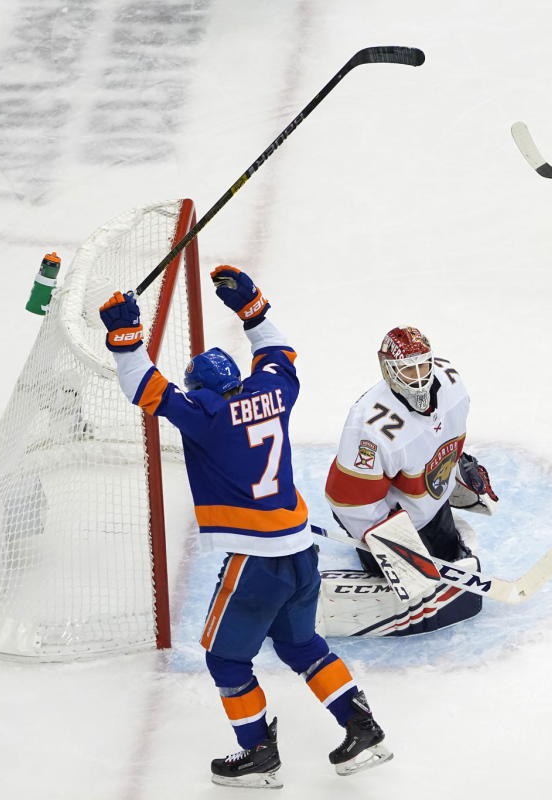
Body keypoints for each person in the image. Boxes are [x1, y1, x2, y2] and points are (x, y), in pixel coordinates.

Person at [98, 266, 391, 788]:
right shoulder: (273, 392)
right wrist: (252, 309)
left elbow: (143, 387)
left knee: (226, 658)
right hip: (302, 552)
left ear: (200, 390)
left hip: (258, 560)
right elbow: (279, 351)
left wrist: (125, 340)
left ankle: (258, 755)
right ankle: (362, 726)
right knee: (302, 647)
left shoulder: (206, 414)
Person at [321, 326, 499, 635]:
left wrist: (454, 471)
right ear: (387, 369)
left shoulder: (453, 386)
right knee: (414, 584)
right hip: (383, 515)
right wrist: (391, 545)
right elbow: (348, 498)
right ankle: (374, 554)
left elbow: (441, 440)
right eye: (406, 369)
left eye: (422, 365)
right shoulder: (370, 425)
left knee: (444, 562)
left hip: (426, 503)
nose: (418, 377)